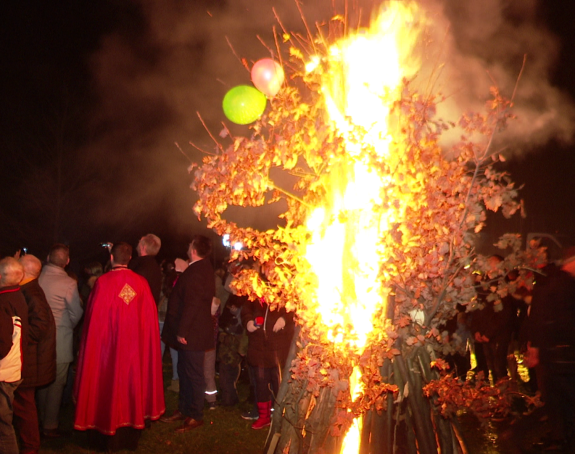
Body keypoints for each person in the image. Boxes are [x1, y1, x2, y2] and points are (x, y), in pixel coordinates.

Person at [73, 242, 165, 451]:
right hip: (134, 351)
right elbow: (148, 322)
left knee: (106, 384)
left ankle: (103, 431)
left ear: (112, 258)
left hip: (107, 350)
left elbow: (92, 323)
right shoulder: (141, 283)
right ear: (129, 259)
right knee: (131, 386)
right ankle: (130, 433)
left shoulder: (103, 283)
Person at [161, 235, 216, 432]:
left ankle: (195, 414)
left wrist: (182, 330)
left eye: (189, 246)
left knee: (193, 375)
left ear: (193, 250)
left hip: (192, 333)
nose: (187, 249)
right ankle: (184, 409)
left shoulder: (197, 272)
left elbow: (193, 304)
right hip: (191, 332)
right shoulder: (199, 268)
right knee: (185, 372)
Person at [523, 247, 575, 451]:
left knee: (559, 398)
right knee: (559, 398)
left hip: (557, 352)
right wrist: (535, 346)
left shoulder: (557, 281)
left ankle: (560, 436)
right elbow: (541, 317)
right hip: (557, 352)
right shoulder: (558, 281)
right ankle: (560, 437)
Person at [37, 244, 83, 438]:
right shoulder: (68, 283)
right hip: (60, 338)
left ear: (47, 257)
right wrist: (66, 326)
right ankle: (50, 425)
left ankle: (38, 419)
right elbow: (77, 312)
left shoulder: (36, 278)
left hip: (38, 338)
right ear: (67, 262)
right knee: (57, 382)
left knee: (41, 380)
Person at [242, 261, 295, 430]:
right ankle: (264, 416)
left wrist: (284, 319)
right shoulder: (257, 288)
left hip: (278, 346)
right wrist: (248, 321)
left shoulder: (286, 288)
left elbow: (294, 310)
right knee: (260, 381)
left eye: (272, 266)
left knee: (279, 382)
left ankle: (280, 418)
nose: (269, 270)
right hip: (258, 345)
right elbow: (246, 308)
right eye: (266, 267)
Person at [13, 255, 56, 454]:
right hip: (30, 360)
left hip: (30, 362)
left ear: (24, 272)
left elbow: (39, 328)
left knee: (24, 407)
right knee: (23, 406)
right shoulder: (28, 290)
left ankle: (30, 447)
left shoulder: (32, 294)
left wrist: (14, 333)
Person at [0, 257, 29, 454]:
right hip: (14, 368)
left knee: (3, 424)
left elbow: (2, 342)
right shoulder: (18, 295)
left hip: (4, 371)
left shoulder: (3, 301)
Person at [129, 234, 162, 306]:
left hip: (137, 314)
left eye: (139, 242)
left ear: (143, 247)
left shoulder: (140, 266)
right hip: (149, 314)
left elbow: (128, 295)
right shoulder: (156, 268)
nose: (137, 244)